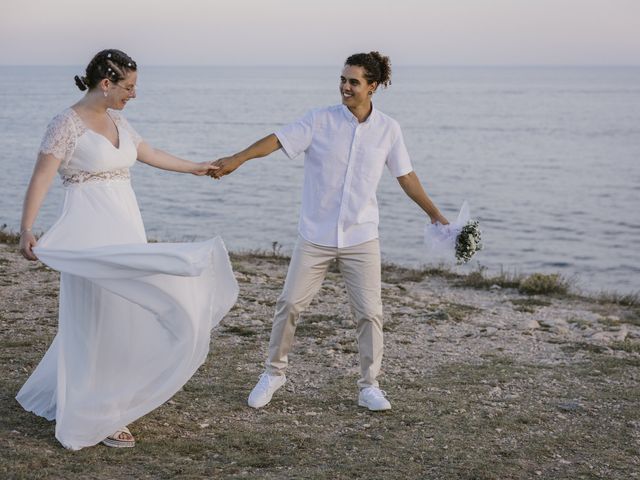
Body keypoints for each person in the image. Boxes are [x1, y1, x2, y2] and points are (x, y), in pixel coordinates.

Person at [16, 49, 239, 450]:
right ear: (106, 84)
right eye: (128, 87)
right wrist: (27, 228)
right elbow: (42, 177)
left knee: (127, 312)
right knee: (99, 315)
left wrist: (197, 167)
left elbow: (148, 153)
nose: (133, 94)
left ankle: (110, 395)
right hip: (91, 230)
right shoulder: (65, 124)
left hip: (126, 226)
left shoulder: (117, 119)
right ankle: (97, 410)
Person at [211, 51, 449, 412]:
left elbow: (406, 176)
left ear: (373, 87)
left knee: (370, 314)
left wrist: (436, 215)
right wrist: (237, 159)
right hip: (315, 236)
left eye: (354, 82)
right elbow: (276, 140)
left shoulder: (389, 129)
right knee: (289, 303)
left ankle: (369, 385)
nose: (345, 87)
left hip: (361, 237)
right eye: (342, 79)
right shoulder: (319, 120)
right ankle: (273, 373)